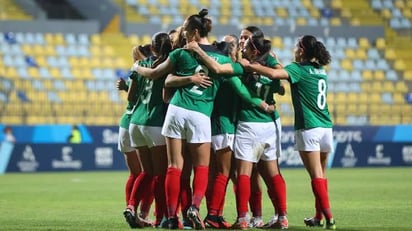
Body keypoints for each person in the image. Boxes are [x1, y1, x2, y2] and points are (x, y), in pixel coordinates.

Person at [185, 27, 287, 229]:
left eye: (245, 40)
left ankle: (241, 216)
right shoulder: (258, 65)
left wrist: (198, 51)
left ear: (254, 47)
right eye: (239, 40)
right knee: (258, 173)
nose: (241, 43)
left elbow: (237, 83)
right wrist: (265, 101)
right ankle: (274, 216)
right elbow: (281, 84)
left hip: (243, 125)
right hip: (254, 124)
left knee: (243, 174)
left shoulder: (241, 67)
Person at [240, 35, 336, 230]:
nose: (293, 49)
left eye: (295, 46)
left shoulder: (297, 69)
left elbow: (277, 75)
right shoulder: (320, 70)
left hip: (309, 127)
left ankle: (330, 219)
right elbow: (289, 75)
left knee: (316, 175)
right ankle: (318, 217)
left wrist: (251, 67)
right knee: (322, 176)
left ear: (301, 50)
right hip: (326, 127)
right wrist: (280, 65)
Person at [126, 32, 172, 228]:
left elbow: (130, 97)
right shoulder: (168, 65)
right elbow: (165, 97)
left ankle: (131, 206)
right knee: (160, 175)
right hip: (154, 122)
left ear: (152, 48)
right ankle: (161, 216)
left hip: (135, 122)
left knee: (146, 172)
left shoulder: (140, 66)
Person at [117, 45, 152, 228]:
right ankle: (141, 212)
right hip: (140, 123)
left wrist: (125, 87)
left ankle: (130, 208)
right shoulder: (150, 70)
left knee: (135, 174)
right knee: (151, 173)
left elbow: (132, 96)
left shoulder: (135, 72)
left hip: (126, 124)